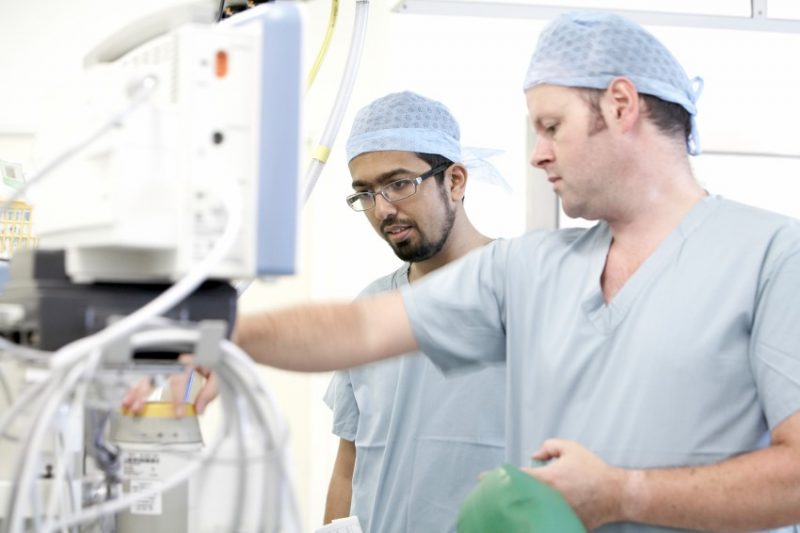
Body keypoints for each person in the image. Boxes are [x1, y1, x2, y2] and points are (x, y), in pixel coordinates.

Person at [232, 11, 800, 533]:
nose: (536, 154)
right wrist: (214, 336)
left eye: (551, 126)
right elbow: (360, 331)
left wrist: (625, 494)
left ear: (621, 105)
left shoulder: (772, 255)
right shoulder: (530, 268)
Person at [322, 91, 506, 533]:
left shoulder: (522, 288)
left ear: (455, 181)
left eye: (400, 183)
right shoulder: (370, 308)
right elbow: (349, 462)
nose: (383, 209)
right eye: (365, 193)